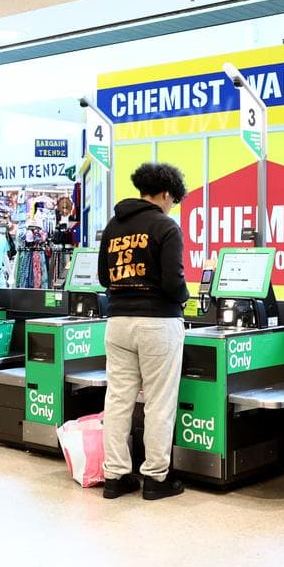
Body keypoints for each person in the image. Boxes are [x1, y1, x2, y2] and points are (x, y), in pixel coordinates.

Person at [98, 162, 189, 501]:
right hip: (157, 323)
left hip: (118, 320)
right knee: (159, 403)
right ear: (165, 194)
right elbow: (173, 282)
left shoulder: (113, 226)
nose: (171, 205)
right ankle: (154, 478)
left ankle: (115, 476)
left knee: (118, 399)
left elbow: (105, 278)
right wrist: (185, 298)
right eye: (172, 200)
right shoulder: (165, 226)